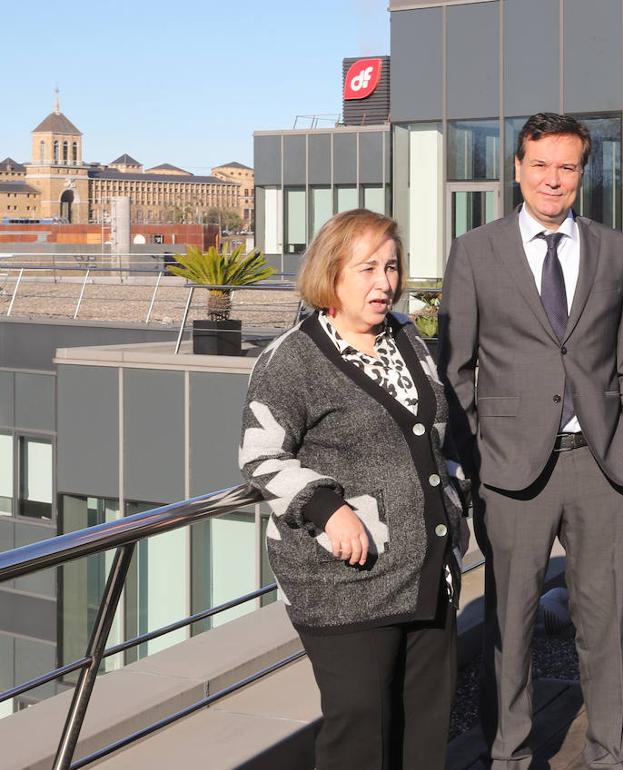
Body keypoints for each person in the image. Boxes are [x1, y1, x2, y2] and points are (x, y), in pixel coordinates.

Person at [439, 112, 623, 770]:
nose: (552, 179)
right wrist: (479, 452)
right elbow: (456, 367)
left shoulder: (614, 251)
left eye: (567, 166)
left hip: (601, 464)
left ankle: (612, 756)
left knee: (604, 621)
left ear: (584, 172)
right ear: (517, 170)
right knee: (510, 623)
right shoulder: (477, 251)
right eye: (540, 165)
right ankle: (509, 756)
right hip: (510, 471)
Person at [238, 209, 465, 770]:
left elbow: (436, 436)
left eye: (391, 267)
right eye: (367, 269)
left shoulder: (408, 339)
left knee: (424, 730)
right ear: (331, 273)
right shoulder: (292, 358)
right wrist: (327, 506)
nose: (384, 282)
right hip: (345, 581)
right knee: (359, 735)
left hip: (426, 569)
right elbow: (259, 454)